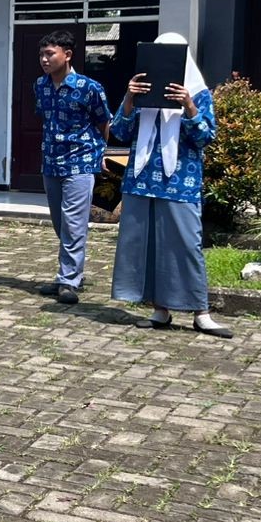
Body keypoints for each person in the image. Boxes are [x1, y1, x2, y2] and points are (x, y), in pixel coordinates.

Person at [108, 33, 232, 338]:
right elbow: (120, 132)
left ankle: (201, 312)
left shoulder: (199, 93)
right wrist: (129, 98)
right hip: (141, 181)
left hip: (180, 182)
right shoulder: (141, 91)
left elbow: (205, 137)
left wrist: (188, 106)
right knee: (148, 248)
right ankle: (160, 310)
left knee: (187, 245)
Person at [33, 30, 112, 305]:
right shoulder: (40, 86)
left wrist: (103, 153)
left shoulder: (89, 87)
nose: (44, 59)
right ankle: (67, 274)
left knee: (74, 223)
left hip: (80, 161)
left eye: (50, 54)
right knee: (60, 222)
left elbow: (104, 122)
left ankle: (68, 280)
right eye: (42, 54)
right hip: (51, 162)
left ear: (67, 55)